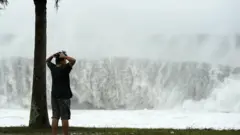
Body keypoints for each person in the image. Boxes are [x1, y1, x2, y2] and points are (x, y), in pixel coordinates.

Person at [46, 51, 76, 135]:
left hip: (54, 95)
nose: (66, 61)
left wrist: (53, 55)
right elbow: (73, 61)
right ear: (62, 60)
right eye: (65, 60)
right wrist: (65, 57)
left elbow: (47, 61)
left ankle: (53, 134)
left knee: (55, 116)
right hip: (64, 96)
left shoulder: (53, 68)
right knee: (64, 117)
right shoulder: (65, 68)